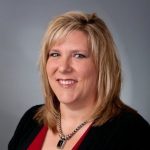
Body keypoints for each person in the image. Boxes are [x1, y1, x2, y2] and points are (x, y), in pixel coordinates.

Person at [8, 11, 149, 150]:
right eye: (55, 54)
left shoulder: (131, 132)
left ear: (102, 65)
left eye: (78, 55)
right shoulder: (32, 119)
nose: (63, 68)